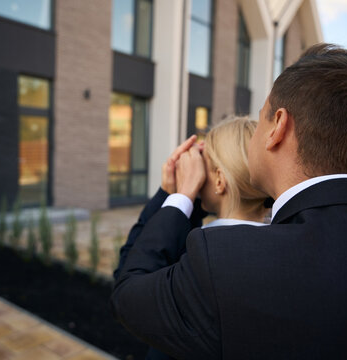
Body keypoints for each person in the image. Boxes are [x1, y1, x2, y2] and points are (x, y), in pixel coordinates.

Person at [110, 43, 347, 359]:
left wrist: (179, 197)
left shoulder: (224, 260)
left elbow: (129, 294)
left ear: (278, 126)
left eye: (260, 120)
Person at [113, 117, 270, 359]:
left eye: (201, 164)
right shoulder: (281, 243)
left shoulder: (202, 258)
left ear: (219, 179)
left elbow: (129, 282)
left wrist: (183, 193)